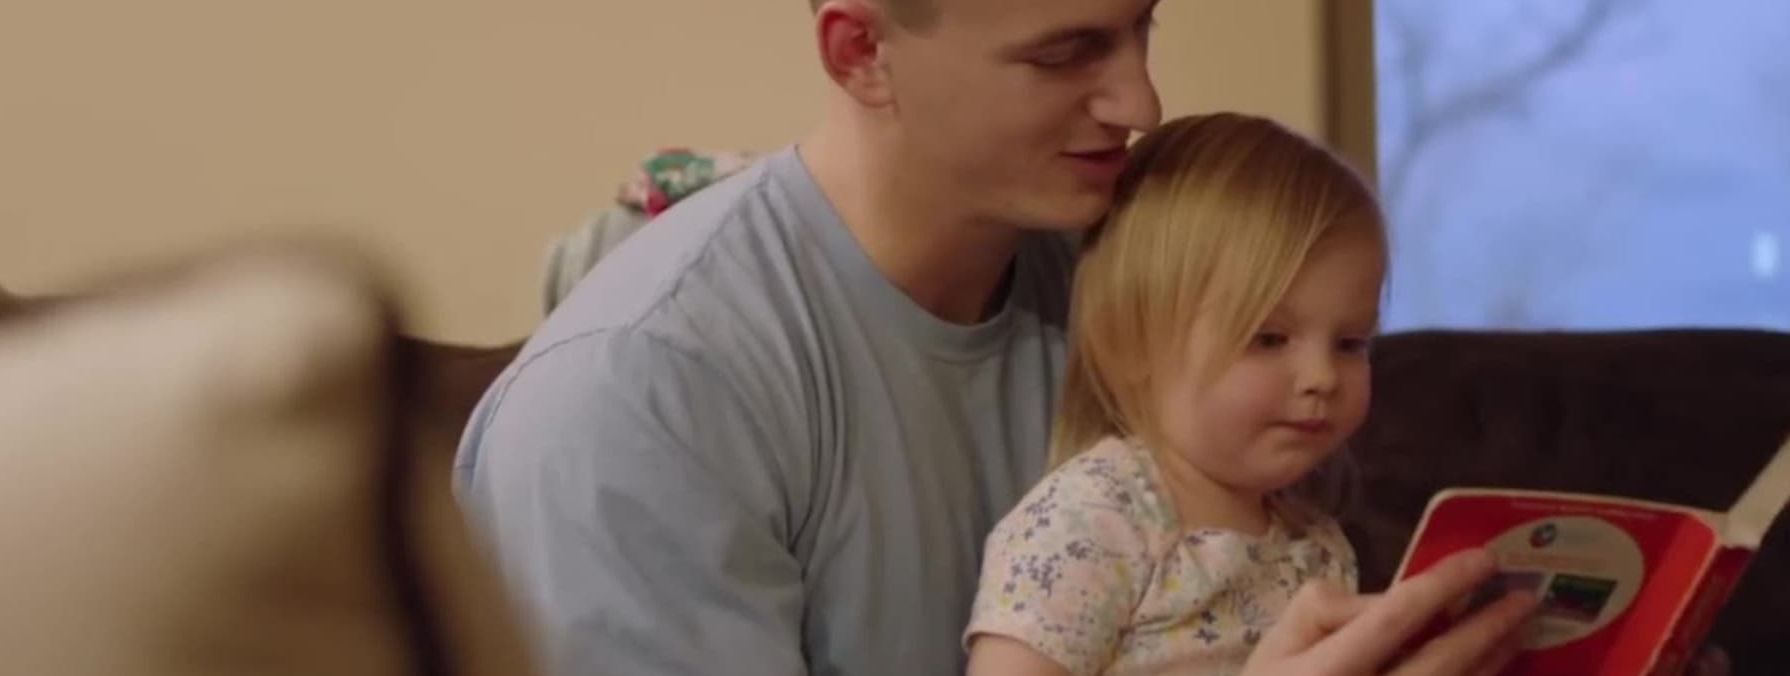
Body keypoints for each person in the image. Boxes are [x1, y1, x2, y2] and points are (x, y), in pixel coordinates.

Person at [451, 0, 1550, 674]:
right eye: (1067, 52)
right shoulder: (638, 397)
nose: (1141, 101)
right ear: (860, 51)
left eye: (1142, 27)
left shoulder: (1138, 288)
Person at [961, 111, 1413, 674]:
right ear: (1133, 346)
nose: (1322, 376)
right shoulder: (1090, 523)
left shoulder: (1317, 545)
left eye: (1351, 343)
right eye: (1268, 338)